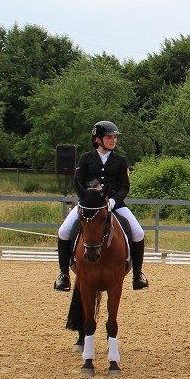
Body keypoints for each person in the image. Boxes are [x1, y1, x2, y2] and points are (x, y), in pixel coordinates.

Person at [54, 120, 149, 292]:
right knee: (63, 231)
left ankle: (137, 274)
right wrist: (85, 199)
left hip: (115, 204)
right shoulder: (85, 159)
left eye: (114, 137)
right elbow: (78, 183)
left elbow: (124, 186)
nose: (113, 140)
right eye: (109, 137)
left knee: (138, 233)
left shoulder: (120, 161)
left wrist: (113, 201)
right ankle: (64, 274)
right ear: (98, 139)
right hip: (89, 206)